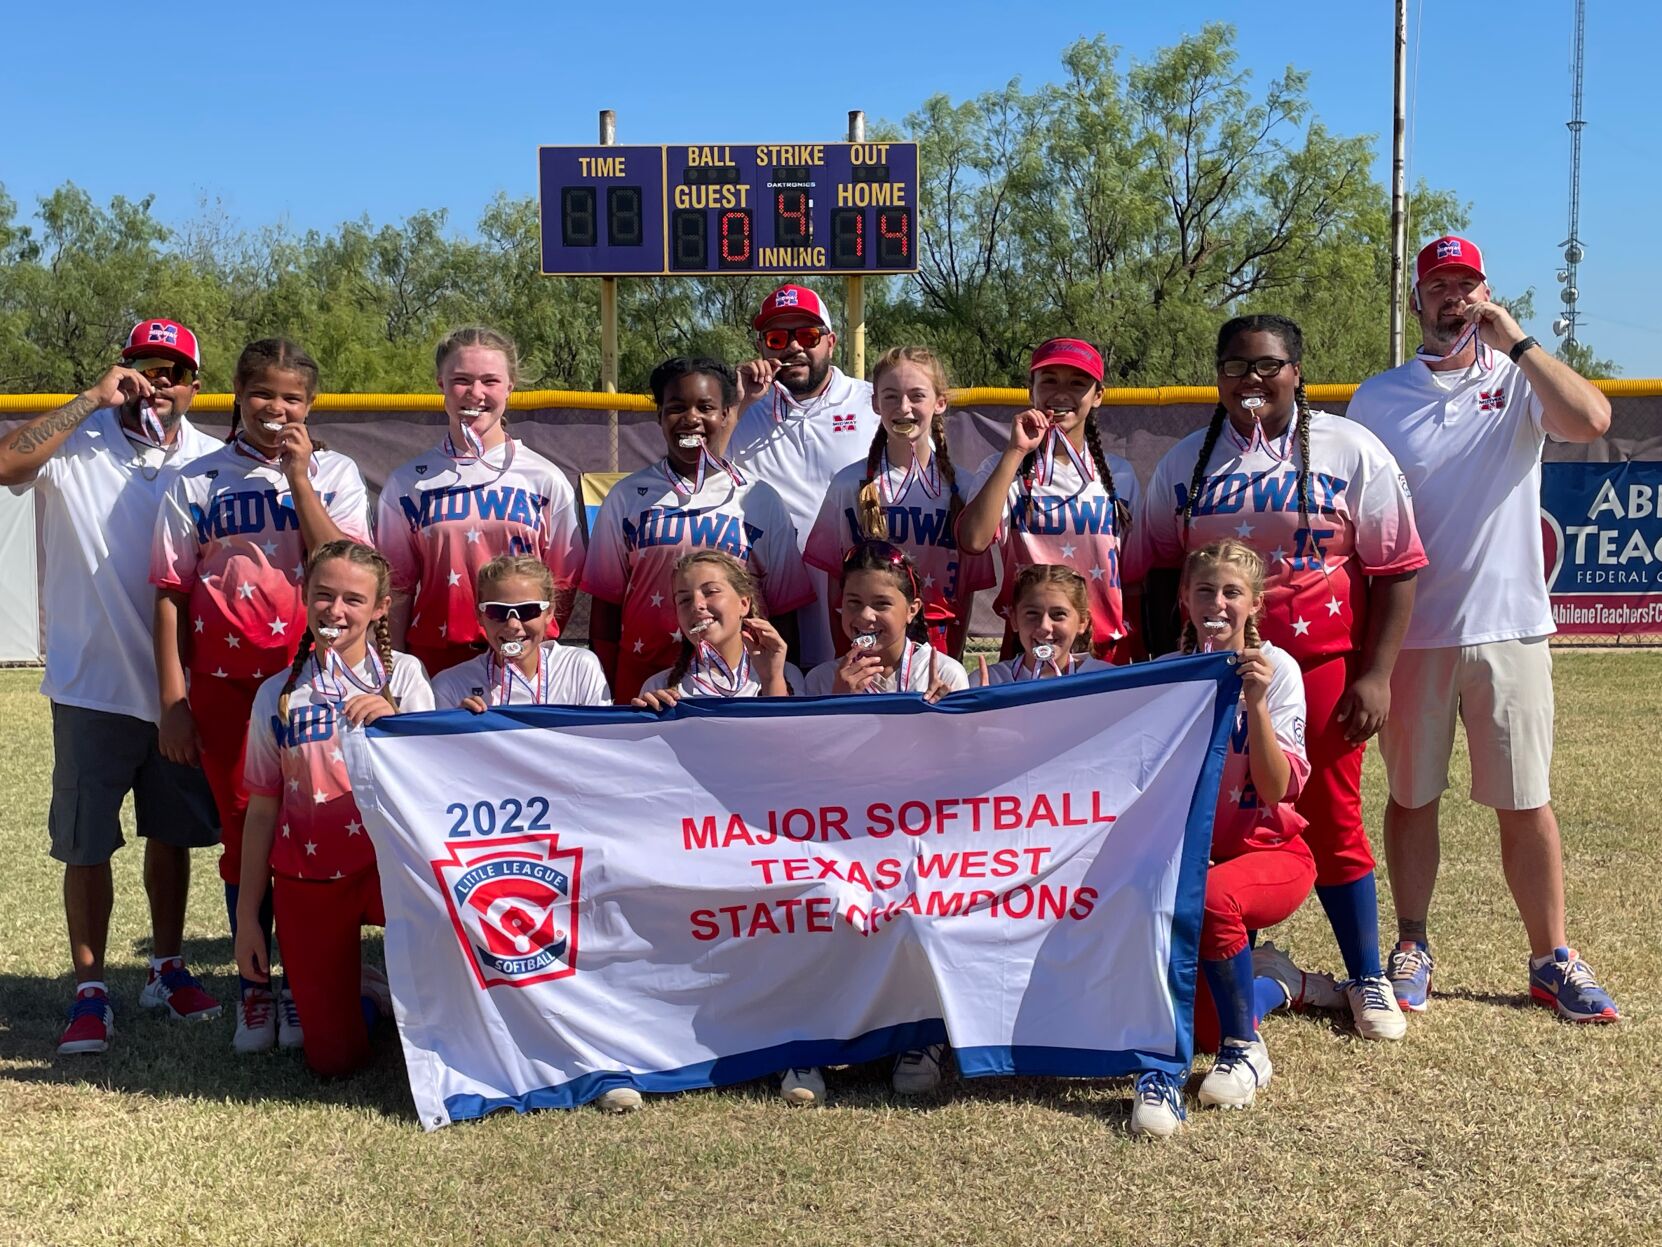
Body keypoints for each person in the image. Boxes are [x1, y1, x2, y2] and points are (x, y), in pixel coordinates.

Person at [1347, 235, 1619, 1023]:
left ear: (1487, 293)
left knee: (1525, 800)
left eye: (1466, 284)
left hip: (1510, 628)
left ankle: (1550, 957)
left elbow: (1592, 419)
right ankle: (1413, 942)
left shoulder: (1520, 378)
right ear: (1415, 301)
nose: (1452, 298)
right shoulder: (1379, 396)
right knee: (1411, 796)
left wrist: (1521, 342)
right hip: (1414, 631)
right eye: (1438, 285)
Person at [1135, 315, 1425, 1042]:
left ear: (1298, 370)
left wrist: (1377, 674)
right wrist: (1153, 673)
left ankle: (1364, 974)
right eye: (1235, 366)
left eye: (1268, 366)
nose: (1252, 380)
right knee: (1207, 816)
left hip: (1321, 661)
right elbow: (1156, 571)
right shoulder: (1185, 463)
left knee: (1331, 813)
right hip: (1209, 665)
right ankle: (1235, 955)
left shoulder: (1348, 446)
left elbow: (1396, 568)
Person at [0, 318, 225, 1054]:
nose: (159, 382)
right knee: (86, 844)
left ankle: (166, 966)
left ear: (195, 384)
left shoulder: (210, 459)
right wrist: (88, 399)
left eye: (175, 371)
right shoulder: (80, 441)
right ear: (121, 369)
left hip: (176, 690)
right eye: (143, 367)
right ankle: (91, 990)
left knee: (173, 834)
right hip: (89, 681)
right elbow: (6, 465)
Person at [150, 338, 371, 1050]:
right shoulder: (197, 478)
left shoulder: (334, 471)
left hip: (313, 675)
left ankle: (304, 981)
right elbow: (170, 593)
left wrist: (300, 479)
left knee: (309, 825)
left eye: (293, 397)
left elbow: (345, 567)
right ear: (237, 395)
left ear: (312, 405)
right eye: (264, 393)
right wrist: (173, 698)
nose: (278, 408)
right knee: (245, 829)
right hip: (222, 682)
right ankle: (254, 986)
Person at [1130, 541, 1336, 1138]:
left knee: (1216, 900)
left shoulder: (1277, 670)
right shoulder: (1170, 669)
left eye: (1230, 592)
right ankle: (1278, 981)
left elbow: (1278, 790)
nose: (1216, 603)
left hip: (1271, 854)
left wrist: (1256, 704)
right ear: (1184, 600)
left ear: (1254, 603)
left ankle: (1248, 1050)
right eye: (1203, 591)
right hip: (1195, 859)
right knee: (1200, 1027)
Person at [233, 541, 433, 1074]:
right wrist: (249, 920)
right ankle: (363, 993)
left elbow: (433, 782)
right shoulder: (277, 694)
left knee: (439, 1015)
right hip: (310, 874)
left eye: (352, 599)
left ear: (380, 608)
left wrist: (396, 720)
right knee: (334, 1063)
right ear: (304, 595)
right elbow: (260, 810)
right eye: (323, 595)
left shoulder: (406, 679)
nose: (336, 611)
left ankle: (383, 979)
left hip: (395, 870)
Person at [584, 357, 813, 701]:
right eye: (676, 407)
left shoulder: (758, 498)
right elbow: (605, 607)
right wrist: (607, 687)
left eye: (705, 407)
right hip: (645, 685)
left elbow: (784, 610)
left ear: (725, 415)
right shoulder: (626, 496)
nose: (691, 418)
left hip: (742, 688)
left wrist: (781, 680)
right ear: (659, 415)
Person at [377, 326, 586, 677]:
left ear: (510, 386)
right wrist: (394, 670)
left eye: (490, 381)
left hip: (525, 654)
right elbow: (395, 590)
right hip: (437, 657)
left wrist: (539, 647)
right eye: (462, 380)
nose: (476, 393)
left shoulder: (544, 478)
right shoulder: (408, 482)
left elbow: (564, 583)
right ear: (441, 384)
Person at [956, 338, 1144, 664]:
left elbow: (1134, 576)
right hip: (1031, 640)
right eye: (1049, 381)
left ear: (1097, 396)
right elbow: (973, 540)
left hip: (1104, 644)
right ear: (1032, 389)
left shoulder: (1119, 474)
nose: (1061, 393)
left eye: (1077, 383)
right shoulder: (1003, 467)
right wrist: (1016, 452)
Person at [728, 284, 880, 668]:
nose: (792, 347)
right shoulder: (743, 410)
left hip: (855, 585)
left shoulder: (873, 403)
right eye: (777, 337)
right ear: (762, 347)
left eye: (807, 336)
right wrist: (737, 403)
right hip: (771, 591)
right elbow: (700, 473)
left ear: (830, 342)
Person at [805, 346, 991, 658]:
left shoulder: (964, 487)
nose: (903, 407)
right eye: (891, 396)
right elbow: (835, 584)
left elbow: (965, 589)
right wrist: (843, 654)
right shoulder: (848, 484)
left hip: (937, 646)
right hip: (866, 642)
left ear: (940, 402)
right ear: (876, 403)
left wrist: (955, 656)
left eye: (917, 396)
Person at [432, 555, 612, 711]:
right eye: (497, 611)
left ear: (549, 612)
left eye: (528, 610)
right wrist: (456, 732)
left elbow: (599, 741)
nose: (512, 624)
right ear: (480, 615)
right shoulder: (450, 686)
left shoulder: (578, 668)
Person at [632, 550, 804, 709]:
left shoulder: (785, 673)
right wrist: (650, 723)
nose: (697, 606)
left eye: (711, 592)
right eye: (684, 600)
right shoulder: (658, 686)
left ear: (744, 604)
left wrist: (771, 679)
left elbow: (785, 737)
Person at [968, 564, 1110, 685]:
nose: (1044, 626)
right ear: (1014, 620)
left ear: (1082, 622)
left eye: (1058, 614)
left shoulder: (1107, 681)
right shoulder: (989, 681)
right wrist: (982, 712)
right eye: (1032, 614)